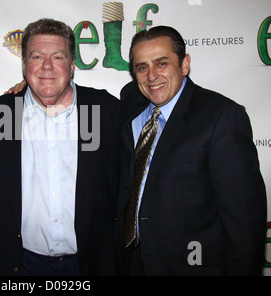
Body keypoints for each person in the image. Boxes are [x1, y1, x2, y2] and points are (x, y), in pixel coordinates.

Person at [114, 25, 267, 275]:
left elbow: (245, 224)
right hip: (134, 264)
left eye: (161, 63)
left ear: (184, 65)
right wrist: (25, 96)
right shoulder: (131, 105)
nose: (152, 76)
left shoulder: (222, 117)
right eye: (142, 67)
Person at [0, 18, 122, 275]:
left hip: (88, 264)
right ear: (24, 65)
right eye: (37, 57)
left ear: (72, 65)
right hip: (21, 265)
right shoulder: (1, 114)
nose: (47, 66)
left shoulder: (102, 110)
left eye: (58, 57)